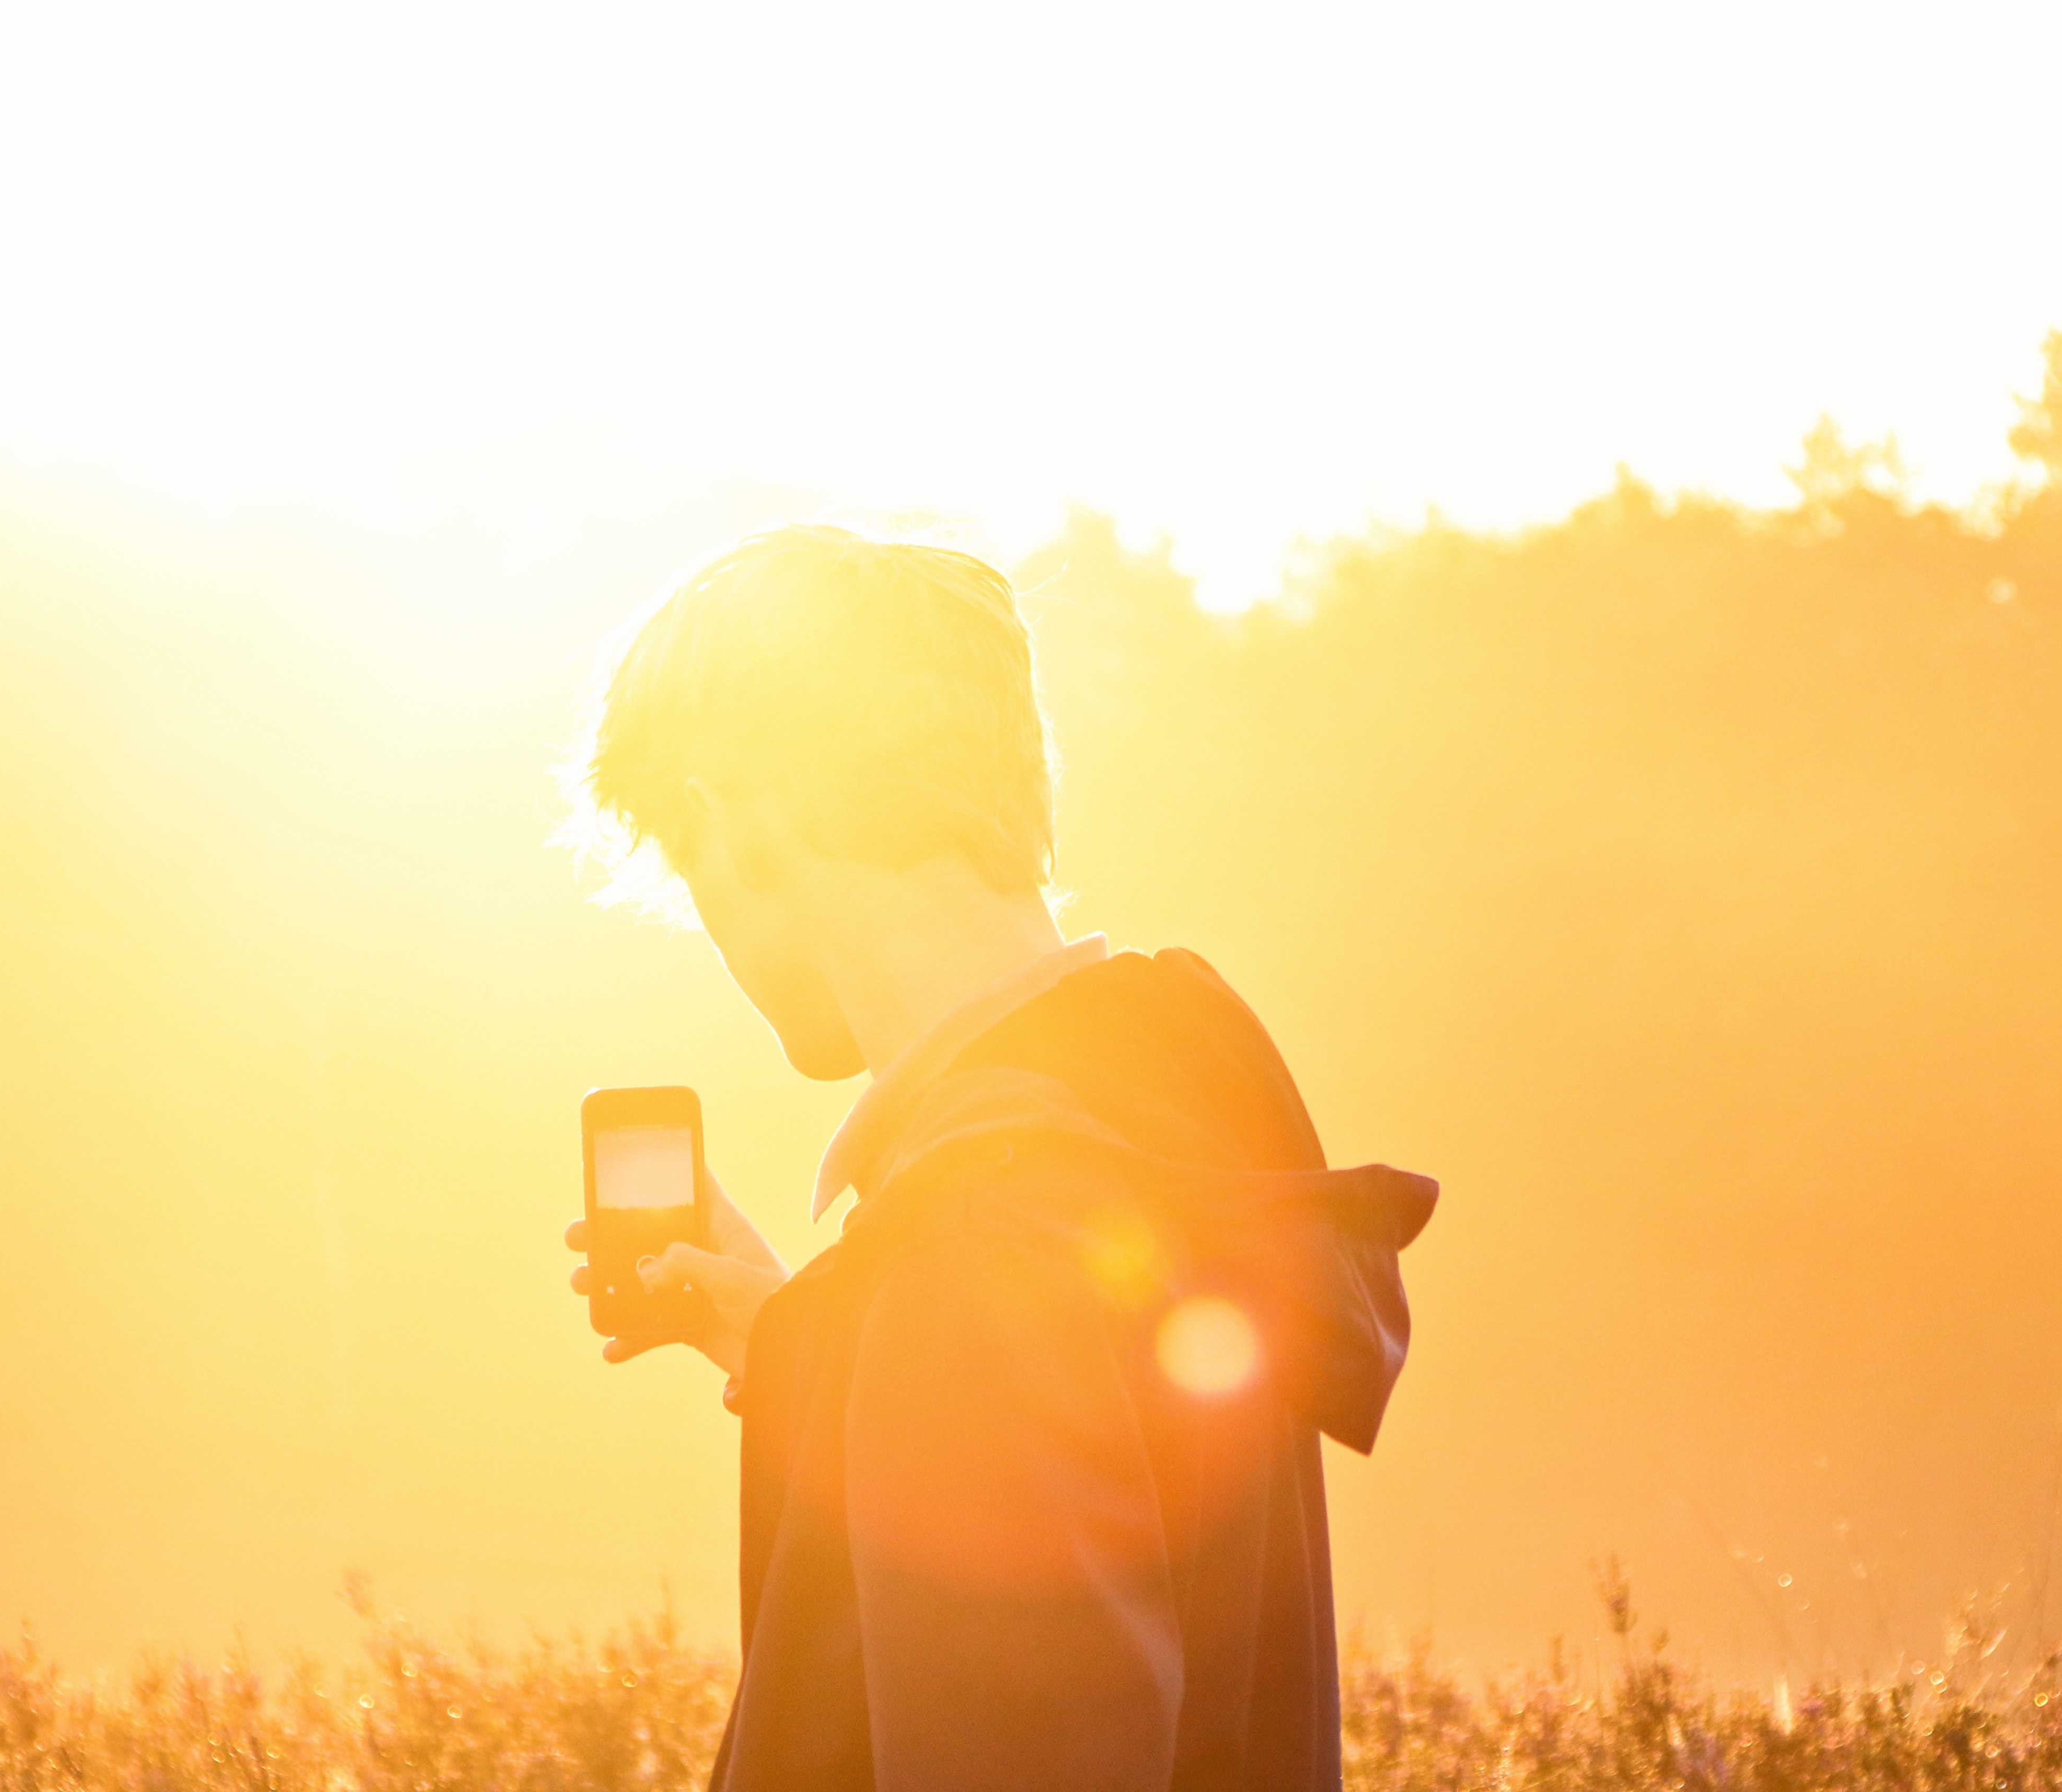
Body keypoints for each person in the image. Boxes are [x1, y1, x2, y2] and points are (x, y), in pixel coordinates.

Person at [562, 524, 1436, 1792]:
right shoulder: (1160, 1138)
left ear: (732, 818)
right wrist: (814, 1350)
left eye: (689, 864)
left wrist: (893, 1324)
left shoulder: (974, 1260)